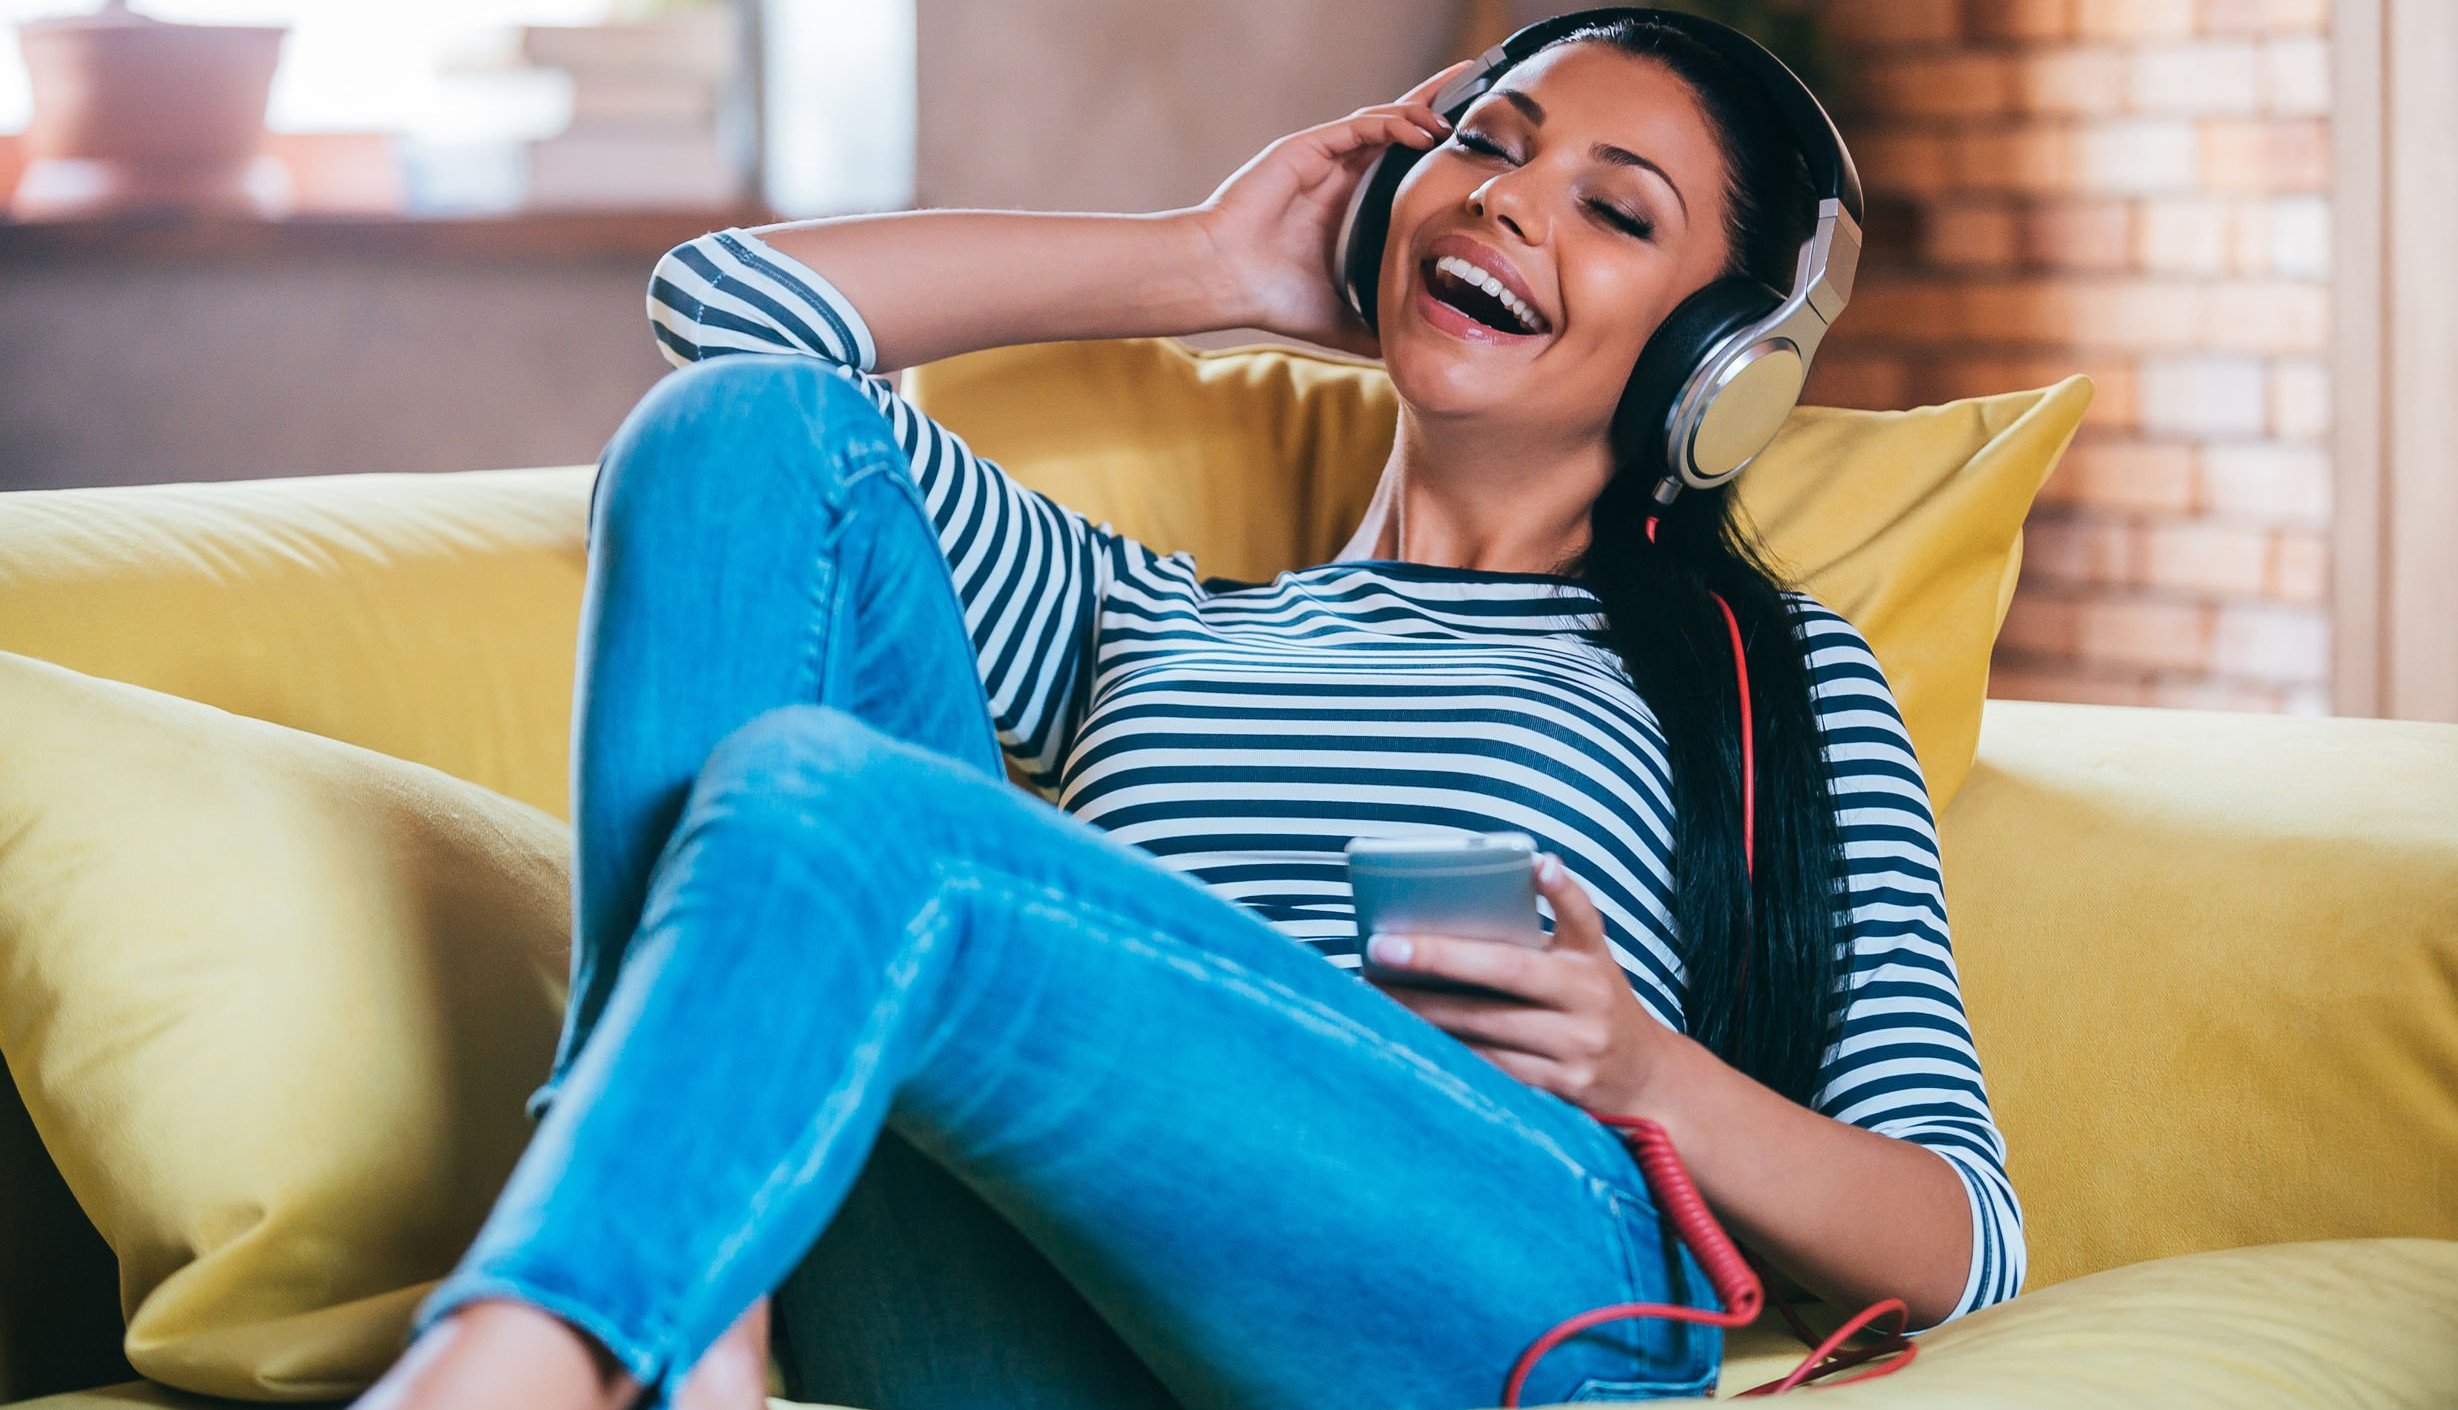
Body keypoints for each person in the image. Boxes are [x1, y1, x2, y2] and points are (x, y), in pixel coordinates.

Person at [352, 14, 2021, 1410]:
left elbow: (1963, 1231)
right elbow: (736, 327)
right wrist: (1208, 255)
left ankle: (534, 1348)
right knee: (734, 436)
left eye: (1618, 209)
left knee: (830, 803)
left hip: (1488, 1282)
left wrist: (1647, 1066)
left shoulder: (1766, 678)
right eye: (1491, 145)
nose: (1511, 205)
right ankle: (690, 1322)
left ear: (1719, 360)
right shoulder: (1141, 615)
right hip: (1038, 1311)